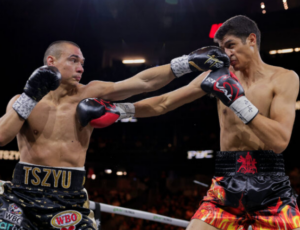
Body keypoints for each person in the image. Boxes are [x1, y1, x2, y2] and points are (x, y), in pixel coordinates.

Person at [87, 15, 300, 229]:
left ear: (252, 40)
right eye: (222, 48)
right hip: (227, 183)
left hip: (271, 187)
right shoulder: (218, 75)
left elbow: (279, 141)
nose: (226, 54)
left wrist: (238, 101)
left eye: (231, 45)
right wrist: (120, 110)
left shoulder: (284, 78)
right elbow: (165, 102)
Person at [0, 40, 228, 230]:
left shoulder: (90, 93)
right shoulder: (22, 100)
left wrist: (186, 63)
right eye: (73, 60)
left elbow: (142, 82)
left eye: (82, 63)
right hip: (22, 196)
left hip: (68, 199)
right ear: (51, 62)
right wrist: (29, 97)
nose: (81, 68)